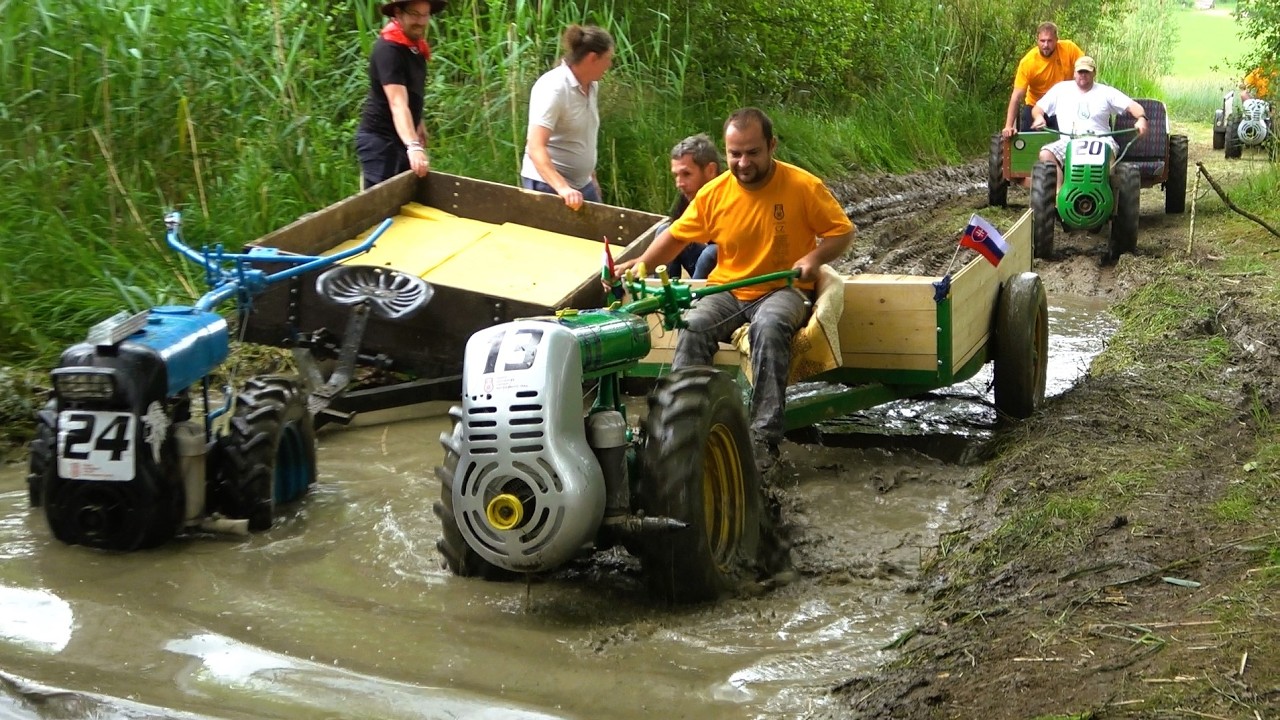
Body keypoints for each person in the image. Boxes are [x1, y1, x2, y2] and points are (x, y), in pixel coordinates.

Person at [615, 108, 856, 474]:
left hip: (782, 289)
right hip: (728, 288)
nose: (743, 162)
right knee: (693, 326)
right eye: (735, 154)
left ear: (771, 146)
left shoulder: (803, 186)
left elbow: (842, 232)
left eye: (752, 152)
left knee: (770, 328)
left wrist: (814, 257)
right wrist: (642, 263)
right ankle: (679, 427)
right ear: (725, 152)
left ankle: (763, 439)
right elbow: (677, 236)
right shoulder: (714, 193)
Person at [521, 25, 615, 211]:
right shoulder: (553, 87)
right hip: (548, 184)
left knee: (597, 237)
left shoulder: (591, 86)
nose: (610, 65)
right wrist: (562, 188)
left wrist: (591, 178)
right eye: (608, 59)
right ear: (592, 58)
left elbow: (583, 138)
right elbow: (535, 146)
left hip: (582, 184)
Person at [354, 0, 445, 190]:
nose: (420, 21)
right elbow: (397, 102)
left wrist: (418, 122)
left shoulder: (414, 47)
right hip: (380, 141)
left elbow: (411, 91)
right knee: (380, 208)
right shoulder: (389, 49)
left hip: (401, 137)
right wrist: (414, 146)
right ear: (398, 13)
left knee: (407, 200)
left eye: (424, 15)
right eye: (414, 14)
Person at [1032, 56, 1148, 191]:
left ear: (1094, 73)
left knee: (1106, 155)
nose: (1083, 75)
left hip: (1101, 140)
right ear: (1074, 73)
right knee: (1046, 154)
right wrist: (1039, 117)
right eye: (1080, 72)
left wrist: (1141, 118)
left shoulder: (1106, 92)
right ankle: (1060, 194)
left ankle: (1105, 194)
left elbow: (1134, 106)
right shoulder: (1060, 90)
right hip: (1069, 140)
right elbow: (1037, 108)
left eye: (1087, 72)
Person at [1002, 22, 1084, 138]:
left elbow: (1085, 70)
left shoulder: (1069, 49)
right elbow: (1016, 96)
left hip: (1063, 105)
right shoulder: (1028, 62)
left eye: (1050, 41)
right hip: (1034, 104)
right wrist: (1009, 126)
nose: (1046, 45)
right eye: (1042, 41)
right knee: (1026, 141)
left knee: (1069, 136)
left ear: (1056, 40)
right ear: (1037, 40)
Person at [664, 133, 722, 279]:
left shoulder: (728, 195)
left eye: (686, 174)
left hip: (729, 277)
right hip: (702, 263)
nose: (679, 183)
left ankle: (696, 299)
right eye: (676, 175)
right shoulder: (689, 195)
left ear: (710, 171)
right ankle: (664, 291)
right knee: (665, 231)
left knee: (712, 252)